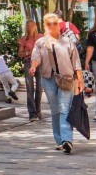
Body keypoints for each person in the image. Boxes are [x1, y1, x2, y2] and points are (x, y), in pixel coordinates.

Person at [31, 12, 84, 154]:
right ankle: (59, 140)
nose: (52, 26)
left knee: (64, 108)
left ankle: (67, 140)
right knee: (55, 110)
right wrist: (33, 66)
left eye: (55, 23)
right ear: (44, 25)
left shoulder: (67, 41)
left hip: (66, 79)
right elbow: (36, 58)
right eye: (49, 24)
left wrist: (80, 80)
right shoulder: (40, 42)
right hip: (48, 79)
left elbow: (76, 62)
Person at [19, 19, 42, 122]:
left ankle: (38, 111)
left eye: (31, 25)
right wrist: (28, 53)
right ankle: (32, 113)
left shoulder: (40, 37)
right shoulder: (23, 39)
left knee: (39, 88)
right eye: (28, 26)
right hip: (28, 63)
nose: (30, 28)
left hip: (39, 64)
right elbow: (20, 54)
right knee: (30, 88)